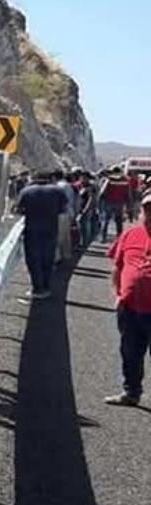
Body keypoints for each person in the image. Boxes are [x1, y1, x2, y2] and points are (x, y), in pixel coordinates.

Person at [104, 193, 151, 406]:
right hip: (129, 307)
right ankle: (131, 393)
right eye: (147, 208)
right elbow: (117, 265)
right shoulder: (131, 234)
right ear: (141, 210)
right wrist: (118, 294)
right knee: (130, 352)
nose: (150, 212)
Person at [14, 171, 69, 300]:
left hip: (32, 230)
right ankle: (46, 287)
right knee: (48, 258)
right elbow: (64, 210)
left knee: (33, 259)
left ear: (34, 178)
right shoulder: (57, 191)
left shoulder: (26, 191)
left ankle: (37, 288)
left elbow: (18, 210)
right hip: (51, 229)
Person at [98, 168, 133, 243]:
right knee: (119, 221)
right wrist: (129, 207)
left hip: (109, 203)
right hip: (120, 203)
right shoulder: (125, 180)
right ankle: (119, 238)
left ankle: (103, 238)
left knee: (105, 221)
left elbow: (102, 192)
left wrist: (99, 204)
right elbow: (128, 195)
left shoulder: (109, 180)